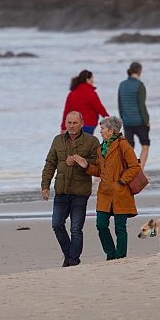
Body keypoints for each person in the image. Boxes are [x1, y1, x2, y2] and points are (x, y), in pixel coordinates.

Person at [74, 116, 140, 260]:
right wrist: (86, 166)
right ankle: (111, 254)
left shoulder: (123, 145)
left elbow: (134, 167)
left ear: (111, 130)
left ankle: (120, 256)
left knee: (120, 228)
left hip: (120, 192)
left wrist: (121, 182)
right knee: (101, 225)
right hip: (104, 192)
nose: (100, 131)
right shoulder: (101, 147)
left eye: (103, 129)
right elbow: (99, 171)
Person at [42, 111, 100, 267]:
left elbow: (97, 164)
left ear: (81, 123)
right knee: (57, 224)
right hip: (61, 191)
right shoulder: (58, 140)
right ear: (65, 123)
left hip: (80, 192)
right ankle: (70, 256)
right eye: (69, 123)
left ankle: (73, 261)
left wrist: (79, 161)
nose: (72, 126)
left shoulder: (92, 141)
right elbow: (50, 164)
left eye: (75, 123)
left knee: (76, 228)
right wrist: (45, 186)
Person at [117, 62, 151, 169]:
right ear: (139, 71)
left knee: (130, 148)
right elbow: (142, 105)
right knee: (145, 145)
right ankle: (139, 170)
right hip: (140, 121)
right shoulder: (139, 85)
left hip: (127, 121)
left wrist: (123, 119)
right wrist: (146, 120)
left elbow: (120, 104)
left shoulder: (122, 85)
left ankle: (131, 170)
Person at [60, 69, 109, 135]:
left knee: (76, 144)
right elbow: (98, 107)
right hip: (88, 125)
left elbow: (66, 112)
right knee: (86, 144)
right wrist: (107, 116)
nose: (93, 80)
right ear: (87, 79)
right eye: (92, 78)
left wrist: (63, 127)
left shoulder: (72, 93)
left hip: (74, 125)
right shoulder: (91, 92)